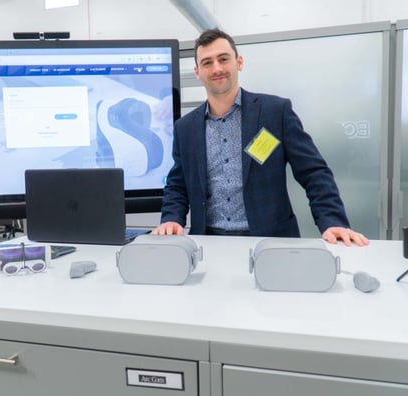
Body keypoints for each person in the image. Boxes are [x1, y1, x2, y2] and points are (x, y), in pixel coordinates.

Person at [153, 28, 368, 246]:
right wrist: (171, 219)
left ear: (239, 62)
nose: (217, 68)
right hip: (209, 243)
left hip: (271, 241)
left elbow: (313, 173)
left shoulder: (275, 112)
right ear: (197, 72)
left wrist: (332, 221)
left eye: (223, 59)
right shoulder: (185, 128)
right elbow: (178, 184)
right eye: (207, 63)